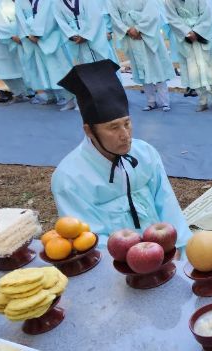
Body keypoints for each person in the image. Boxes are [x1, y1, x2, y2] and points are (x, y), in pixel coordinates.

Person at [52, 60, 192, 246]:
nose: (125, 135)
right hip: (114, 259)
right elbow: (89, 240)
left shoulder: (144, 153)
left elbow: (168, 206)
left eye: (127, 123)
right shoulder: (70, 178)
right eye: (113, 127)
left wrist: (178, 247)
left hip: (161, 248)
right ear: (89, 131)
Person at [108, 0, 177, 111]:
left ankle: (164, 101)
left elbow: (152, 12)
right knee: (142, 69)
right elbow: (115, 18)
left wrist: (139, 29)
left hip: (148, 34)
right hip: (130, 37)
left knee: (157, 67)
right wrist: (127, 30)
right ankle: (150, 101)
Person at [163, 0, 212, 112]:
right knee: (193, 72)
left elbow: (206, 14)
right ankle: (202, 101)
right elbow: (172, 18)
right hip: (186, 38)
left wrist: (196, 32)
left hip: (203, 35)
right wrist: (186, 32)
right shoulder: (169, 1)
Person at [27, 0, 78, 109]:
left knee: (65, 70)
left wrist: (36, 34)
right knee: (54, 72)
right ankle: (68, 99)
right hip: (44, 39)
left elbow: (49, 18)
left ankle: (77, 99)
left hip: (55, 37)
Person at [54, 0, 118, 65]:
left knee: (105, 61)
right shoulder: (57, 3)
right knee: (86, 63)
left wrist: (86, 36)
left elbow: (95, 16)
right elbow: (61, 22)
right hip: (77, 39)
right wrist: (72, 35)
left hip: (95, 36)